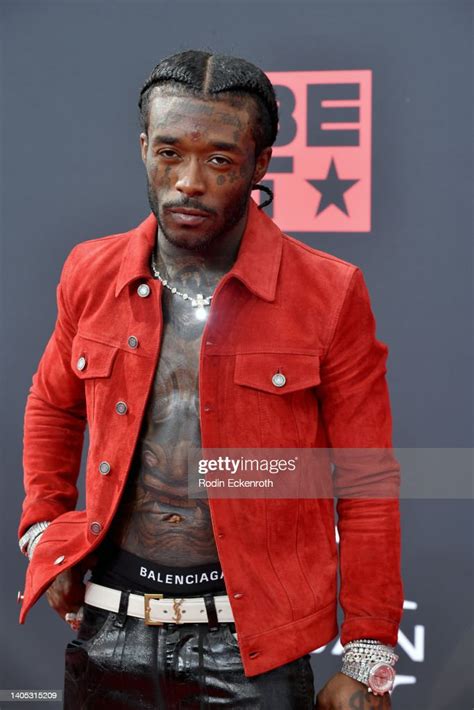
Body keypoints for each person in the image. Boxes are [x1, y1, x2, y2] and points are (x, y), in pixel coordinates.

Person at [17, 50, 403, 709]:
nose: (189, 181)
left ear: (259, 165)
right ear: (143, 148)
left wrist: (368, 654)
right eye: (169, 152)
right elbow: (52, 404)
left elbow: (366, 480)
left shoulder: (328, 293)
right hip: (108, 632)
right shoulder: (91, 271)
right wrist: (42, 531)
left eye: (219, 160)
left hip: (250, 650)